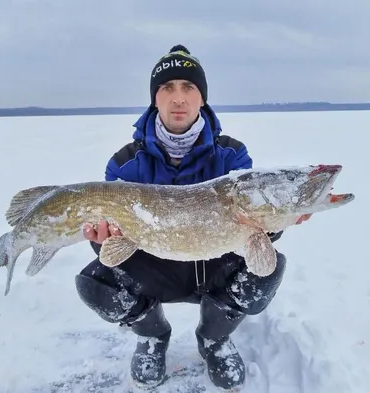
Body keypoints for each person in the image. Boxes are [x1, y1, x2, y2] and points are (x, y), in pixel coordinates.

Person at [75, 45, 311, 390]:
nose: (178, 98)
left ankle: (214, 339)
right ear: (155, 99)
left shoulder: (232, 154)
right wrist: (104, 240)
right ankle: (153, 335)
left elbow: (251, 221)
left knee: (267, 269)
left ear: (202, 99)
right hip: (156, 267)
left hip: (215, 265)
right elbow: (116, 238)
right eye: (167, 88)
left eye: (189, 88)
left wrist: (275, 225)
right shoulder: (125, 163)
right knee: (96, 282)